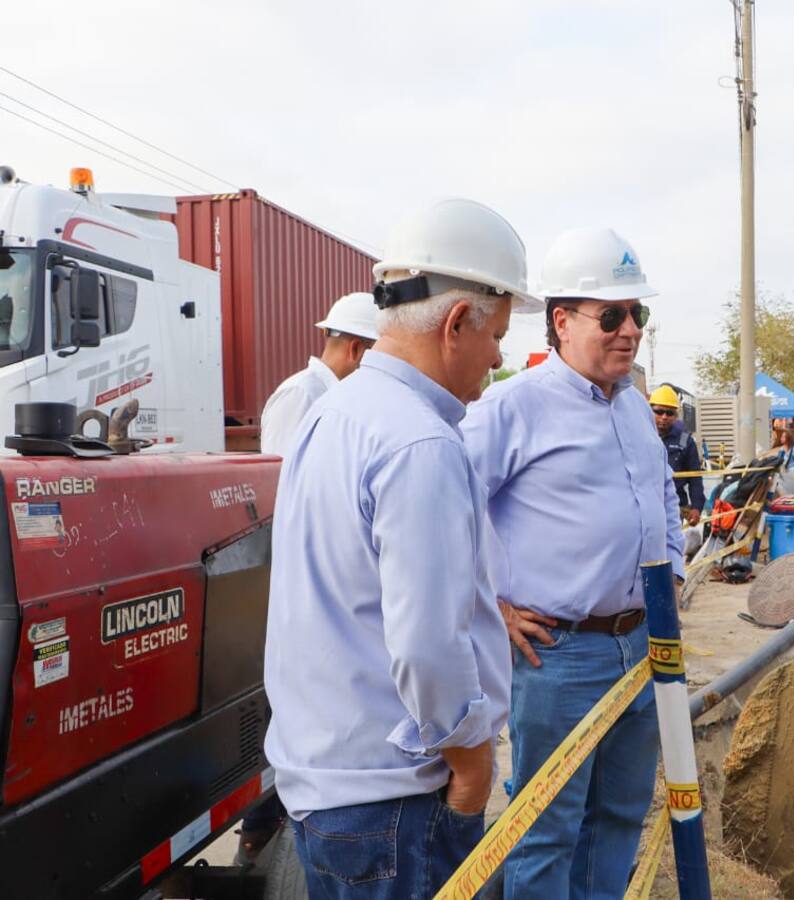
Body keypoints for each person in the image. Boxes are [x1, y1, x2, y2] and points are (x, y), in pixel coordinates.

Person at [263, 198, 542, 899]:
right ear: (456, 324)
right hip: (393, 802)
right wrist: (474, 766)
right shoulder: (418, 442)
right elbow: (427, 646)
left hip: (329, 785)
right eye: (497, 334)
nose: (499, 356)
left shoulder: (333, 414)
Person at [462, 226, 684, 899]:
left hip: (641, 647)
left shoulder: (636, 410)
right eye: (611, 316)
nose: (629, 331)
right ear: (561, 321)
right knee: (547, 828)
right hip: (558, 655)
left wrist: (671, 573)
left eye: (636, 315)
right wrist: (491, 606)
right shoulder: (511, 407)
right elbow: (442, 514)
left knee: (617, 816)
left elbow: (664, 503)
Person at [259, 291, 379, 455]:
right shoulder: (301, 394)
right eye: (379, 355)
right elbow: (279, 470)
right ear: (356, 349)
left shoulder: (340, 395)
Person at [650, 384, 704, 526]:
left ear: (676, 415)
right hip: (646, 504)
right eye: (659, 411)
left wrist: (696, 506)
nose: (664, 417)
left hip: (674, 506)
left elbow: (695, 477)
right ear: (649, 410)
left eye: (669, 413)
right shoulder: (639, 435)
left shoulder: (685, 440)